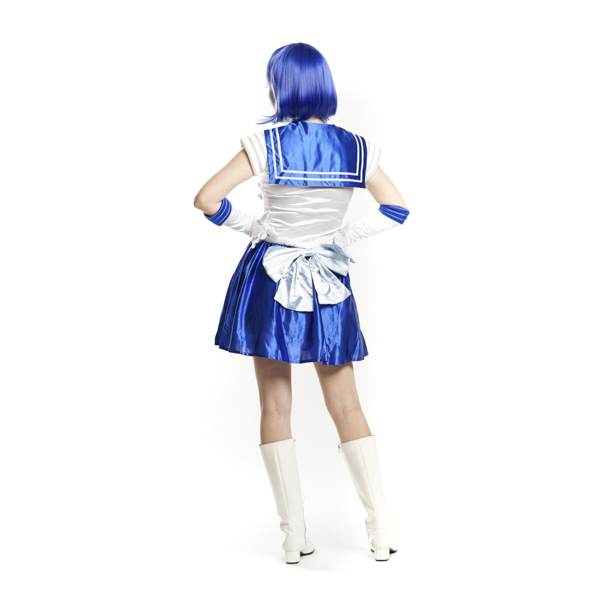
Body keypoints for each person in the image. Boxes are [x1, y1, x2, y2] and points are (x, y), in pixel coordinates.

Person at [194, 43, 410, 564]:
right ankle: (380, 534)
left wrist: (258, 228)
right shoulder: (358, 148)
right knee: (348, 406)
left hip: (271, 277)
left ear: (280, 87)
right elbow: (397, 209)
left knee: (274, 405)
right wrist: (340, 238)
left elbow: (206, 199)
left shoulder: (264, 144)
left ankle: (294, 539)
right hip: (328, 280)